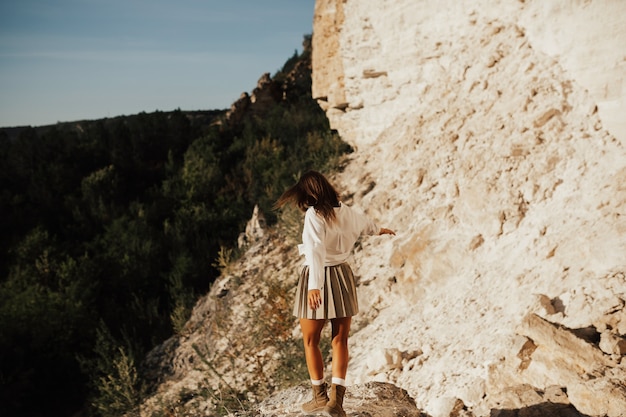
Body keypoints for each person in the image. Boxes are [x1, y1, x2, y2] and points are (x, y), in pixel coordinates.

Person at [275, 170, 395, 417]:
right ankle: (336, 402)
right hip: (342, 275)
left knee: (311, 340)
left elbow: (315, 252)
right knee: (340, 340)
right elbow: (364, 224)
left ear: (308, 194)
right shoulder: (346, 210)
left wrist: (314, 287)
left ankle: (319, 396)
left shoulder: (314, 215)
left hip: (316, 276)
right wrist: (379, 229)